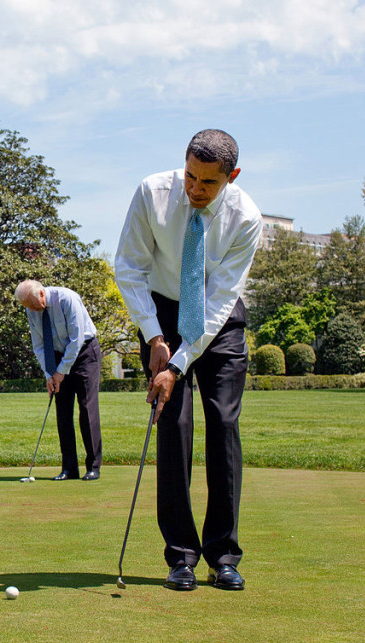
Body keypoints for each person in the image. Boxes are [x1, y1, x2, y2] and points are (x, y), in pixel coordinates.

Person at [114, 129, 263, 591]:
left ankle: (224, 556)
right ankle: (180, 557)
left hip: (218, 320)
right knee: (173, 425)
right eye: (190, 176)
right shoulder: (152, 192)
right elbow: (129, 268)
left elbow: (218, 303)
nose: (195, 189)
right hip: (159, 308)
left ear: (231, 177)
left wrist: (178, 363)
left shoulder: (246, 218)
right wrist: (154, 334)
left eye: (208, 183)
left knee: (222, 424)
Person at [15, 280, 103, 481]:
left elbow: (76, 339)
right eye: (28, 307)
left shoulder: (67, 298)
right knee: (62, 412)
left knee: (87, 409)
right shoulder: (31, 309)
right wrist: (49, 374)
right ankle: (69, 469)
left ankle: (93, 467)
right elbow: (38, 345)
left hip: (84, 354)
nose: (33, 310)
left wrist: (61, 372)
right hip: (55, 356)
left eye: (34, 305)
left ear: (42, 294)